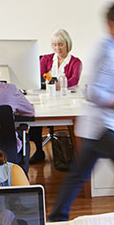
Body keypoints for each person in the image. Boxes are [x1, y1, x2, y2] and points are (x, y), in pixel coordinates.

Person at [48, 2, 114, 222]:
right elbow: (91, 91)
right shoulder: (104, 51)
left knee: (78, 175)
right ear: (112, 23)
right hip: (103, 125)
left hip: (101, 125)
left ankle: (56, 217)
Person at [30, 29, 83, 164]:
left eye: (60, 44)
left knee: (73, 121)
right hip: (47, 97)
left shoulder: (76, 62)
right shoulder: (45, 59)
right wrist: (51, 83)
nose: (57, 48)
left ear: (67, 44)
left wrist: (61, 84)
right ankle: (38, 151)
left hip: (65, 99)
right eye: (54, 45)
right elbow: (40, 76)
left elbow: (74, 80)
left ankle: (73, 155)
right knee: (35, 117)